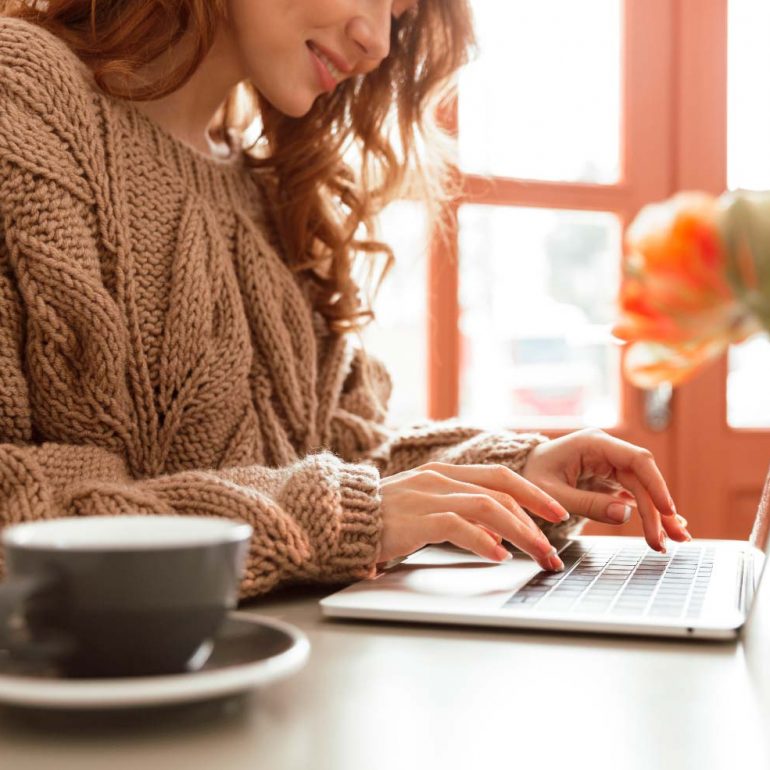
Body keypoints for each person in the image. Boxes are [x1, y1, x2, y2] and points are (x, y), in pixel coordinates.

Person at [0, 0, 691, 599]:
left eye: (401, 14)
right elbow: (19, 510)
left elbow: (336, 460)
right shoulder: (22, 98)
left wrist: (519, 474)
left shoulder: (272, 193)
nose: (380, 43)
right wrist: (338, 520)